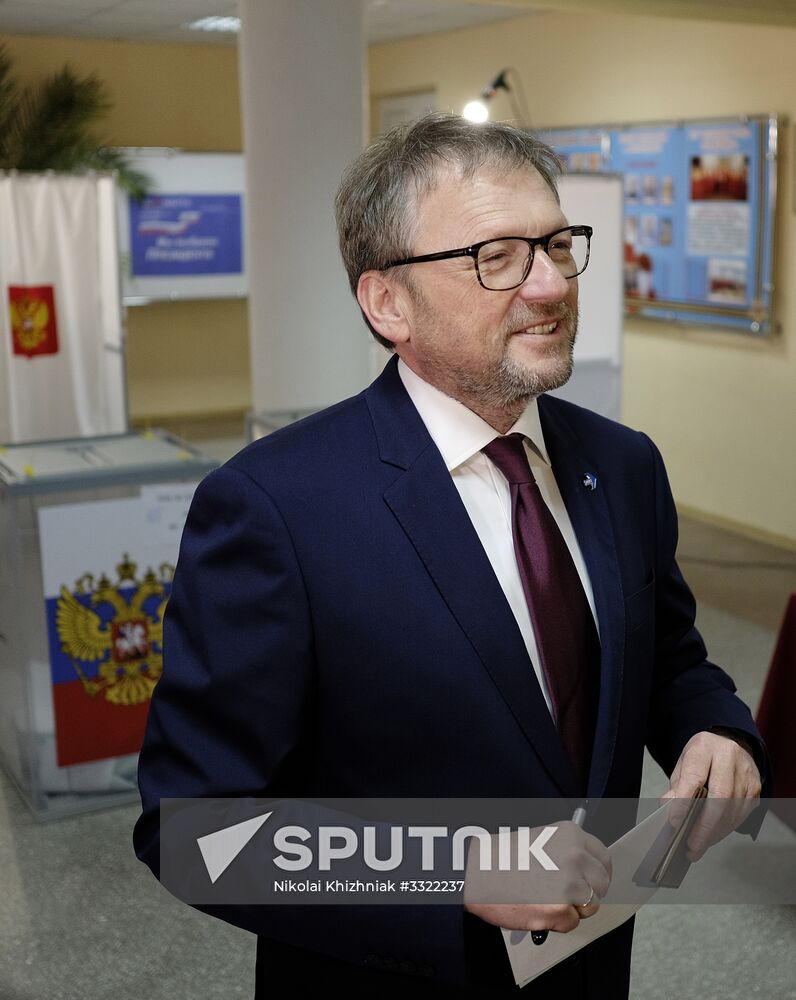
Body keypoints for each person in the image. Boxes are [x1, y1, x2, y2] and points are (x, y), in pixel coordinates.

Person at [133, 113, 766, 998]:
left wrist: (714, 726)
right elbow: (191, 828)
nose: (549, 285)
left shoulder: (623, 466)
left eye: (555, 244)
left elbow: (666, 660)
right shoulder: (277, 508)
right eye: (497, 257)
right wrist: (451, 872)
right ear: (388, 302)